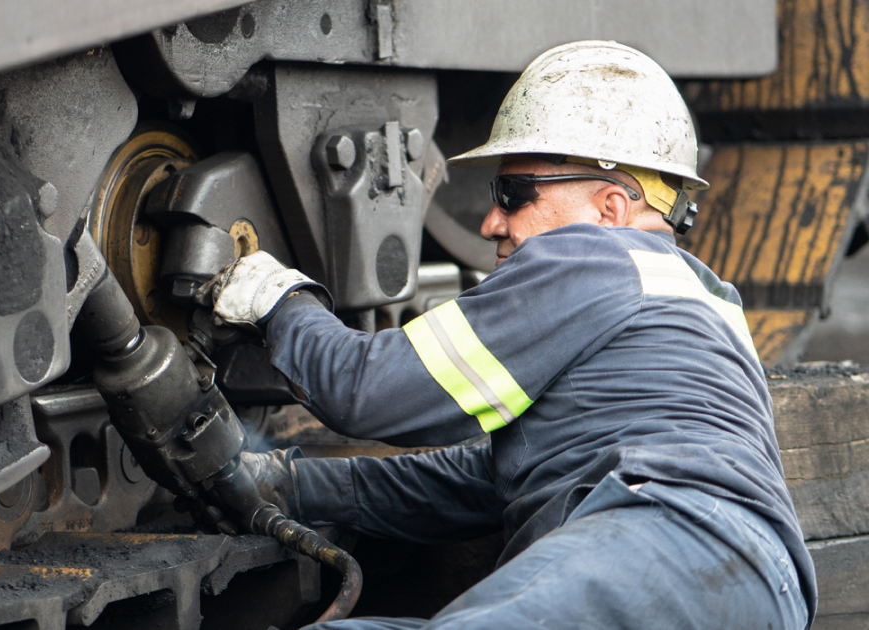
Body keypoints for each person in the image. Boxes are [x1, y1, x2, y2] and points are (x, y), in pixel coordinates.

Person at [198, 41, 814, 629]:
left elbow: (367, 390)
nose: (493, 221)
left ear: (610, 207)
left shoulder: (593, 258)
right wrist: (293, 484)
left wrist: (278, 300)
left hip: (664, 541)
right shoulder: (705, 299)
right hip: (757, 585)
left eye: (514, 195)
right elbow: (488, 480)